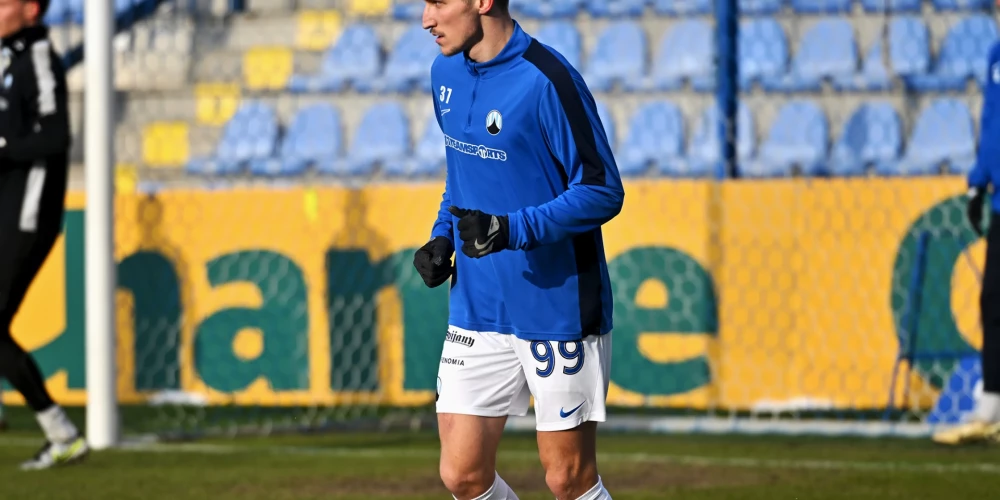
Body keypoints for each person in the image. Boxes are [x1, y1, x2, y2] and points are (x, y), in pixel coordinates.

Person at [413, 1, 624, 498]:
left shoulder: (547, 80)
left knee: (567, 478)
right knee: (462, 475)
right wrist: (444, 235)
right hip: (478, 305)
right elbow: (463, 176)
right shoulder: (444, 71)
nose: (426, 19)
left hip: (556, 307)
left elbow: (601, 189)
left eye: (439, 2)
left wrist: (511, 230)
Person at [0, 0, 88, 468]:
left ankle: (63, 433)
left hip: (29, 213)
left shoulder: (38, 59)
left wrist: (4, 149)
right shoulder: (8, 59)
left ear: (31, 9)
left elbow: (55, 137)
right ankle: (61, 434)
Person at [932, 38, 1000, 446]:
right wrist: (978, 182)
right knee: (993, 300)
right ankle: (991, 409)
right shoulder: (996, 52)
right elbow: (993, 120)